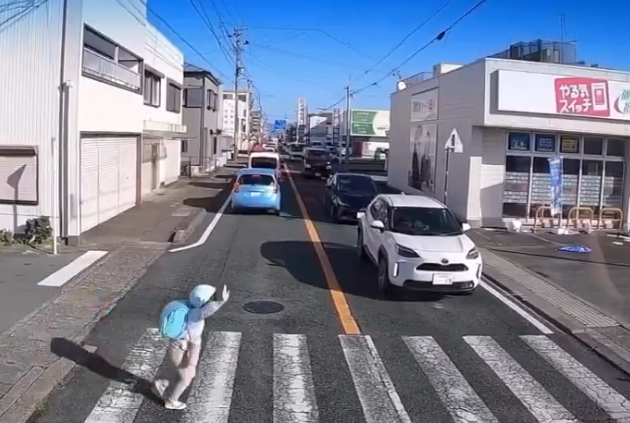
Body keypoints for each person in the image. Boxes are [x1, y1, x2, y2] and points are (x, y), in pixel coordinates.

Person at [153, 284, 230, 410]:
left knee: (186, 370)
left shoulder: (189, 306)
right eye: (211, 298)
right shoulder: (195, 314)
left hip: (187, 344)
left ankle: (163, 382)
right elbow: (208, 310)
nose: (212, 299)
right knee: (186, 377)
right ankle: (171, 400)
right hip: (182, 346)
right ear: (203, 301)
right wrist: (221, 302)